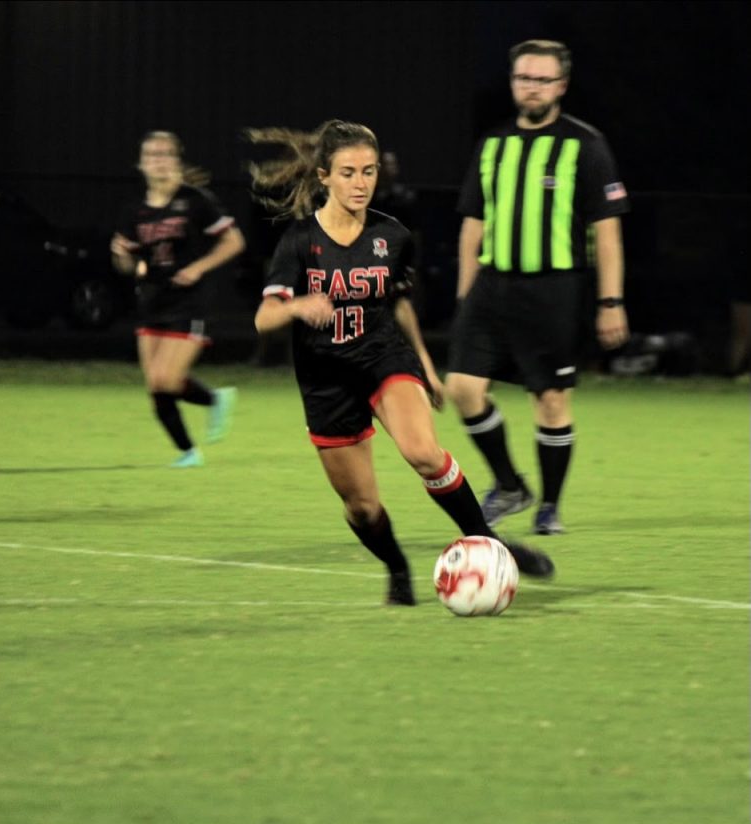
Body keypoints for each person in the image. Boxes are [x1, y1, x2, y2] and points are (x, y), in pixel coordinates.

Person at [249, 119, 554, 606]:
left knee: (424, 453)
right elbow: (264, 317)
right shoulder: (300, 242)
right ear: (324, 176)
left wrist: (426, 368)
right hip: (326, 380)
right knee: (363, 507)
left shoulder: (392, 236)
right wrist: (295, 307)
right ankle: (396, 568)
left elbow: (401, 304)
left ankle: (491, 545)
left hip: (383, 358)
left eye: (368, 171)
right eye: (348, 172)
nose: (361, 183)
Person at [445, 40, 630, 535]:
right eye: (524, 78)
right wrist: (465, 296)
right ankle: (509, 484)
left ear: (562, 86)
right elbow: (472, 224)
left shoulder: (585, 145)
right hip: (491, 287)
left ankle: (549, 506)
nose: (532, 87)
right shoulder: (493, 144)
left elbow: (607, 232)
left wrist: (611, 301)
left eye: (543, 79)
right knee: (461, 387)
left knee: (549, 399)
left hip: (554, 291)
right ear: (513, 83)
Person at [110, 131, 246, 468]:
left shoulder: (196, 200)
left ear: (177, 160)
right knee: (155, 387)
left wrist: (198, 268)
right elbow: (126, 263)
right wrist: (123, 257)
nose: (158, 159)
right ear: (141, 164)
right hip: (152, 302)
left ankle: (214, 400)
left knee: (166, 380)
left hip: (189, 302)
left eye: (165, 153)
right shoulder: (135, 211)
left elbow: (234, 241)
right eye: (151, 154)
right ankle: (189, 452)